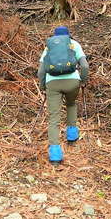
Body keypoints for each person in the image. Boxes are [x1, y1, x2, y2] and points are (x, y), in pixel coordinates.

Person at [38, 26, 89, 164]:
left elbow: (41, 71)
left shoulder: (49, 47)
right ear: (68, 35)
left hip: (52, 84)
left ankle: (55, 155)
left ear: (55, 36)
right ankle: (72, 136)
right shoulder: (74, 44)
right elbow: (84, 66)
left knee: (54, 117)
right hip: (72, 82)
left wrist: (43, 86)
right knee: (71, 104)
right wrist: (83, 81)